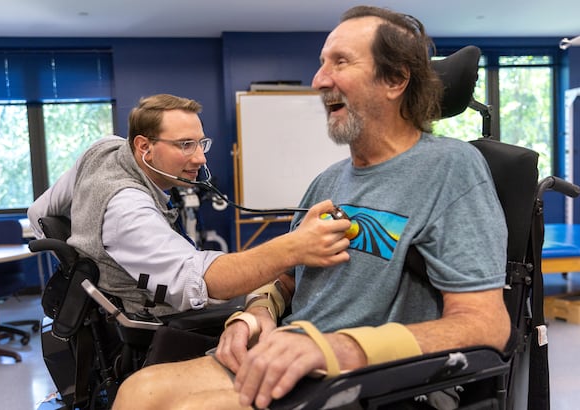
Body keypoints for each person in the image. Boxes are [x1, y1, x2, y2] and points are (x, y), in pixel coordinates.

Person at [112, 6, 511, 409]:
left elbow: (486, 324)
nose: (319, 80)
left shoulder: (450, 167)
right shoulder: (328, 181)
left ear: (395, 79)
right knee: (137, 392)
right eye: (321, 64)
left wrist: (341, 348)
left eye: (340, 62)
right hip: (289, 354)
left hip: (371, 376)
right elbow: (287, 281)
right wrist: (253, 315)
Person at [28, 93, 352, 316]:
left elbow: (39, 213)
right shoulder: (126, 208)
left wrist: (88, 247)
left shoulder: (103, 149)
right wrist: (291, 250)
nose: (200, 157)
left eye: (200, 143)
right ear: (145, 147)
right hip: (152, 323)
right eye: (185, 145)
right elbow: (196, 283)